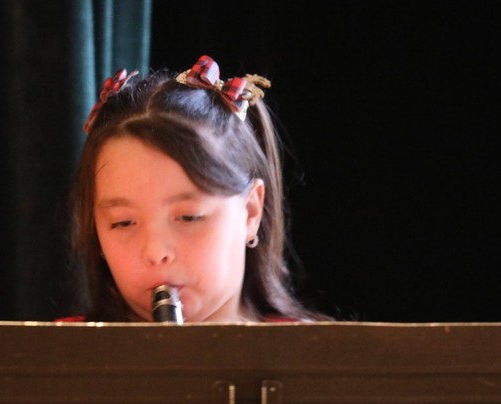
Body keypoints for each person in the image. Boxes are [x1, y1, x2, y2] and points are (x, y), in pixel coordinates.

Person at [65, 54, 329, 323]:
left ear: (250, 212)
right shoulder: (57, 354)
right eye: (123, 223)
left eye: (189, 217)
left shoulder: (322, 357)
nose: (156, 252)